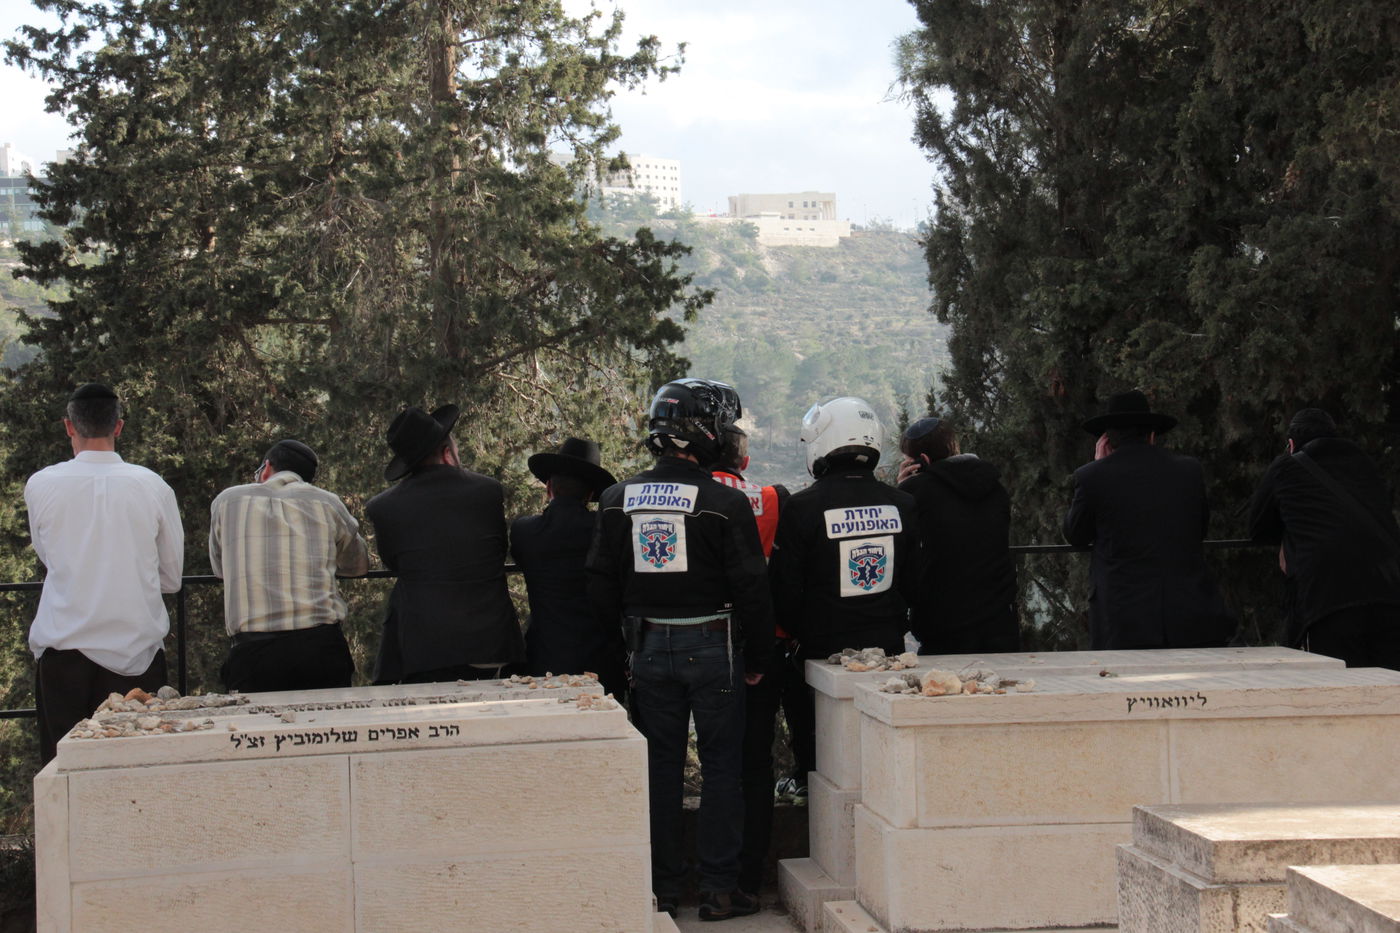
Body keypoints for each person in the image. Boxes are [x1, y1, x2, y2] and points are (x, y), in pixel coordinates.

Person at [587, 378, 772, 922]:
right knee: (722, 768)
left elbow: (599, 585)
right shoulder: (724, 503)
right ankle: (718, 891)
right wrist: (759, 659)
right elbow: (752, 589)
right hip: (715, 644)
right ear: (706, 434)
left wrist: (615, 657)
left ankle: (662, 891)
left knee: (660, 768)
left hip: (644, 647)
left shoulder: (616, 499)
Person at [25, 383, 184, 764]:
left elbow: (48, 556)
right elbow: (171, 577)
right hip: (136, 652)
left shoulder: (41, 484)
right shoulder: (153, 486)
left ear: (69, 426)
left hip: (64, 648)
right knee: (136, 770)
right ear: (119, 427)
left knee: (64, 772)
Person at [711, 424, 809, 896]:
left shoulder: (691, 495)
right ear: (744, 462)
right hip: (764, 645)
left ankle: (701, 877)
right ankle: (749, 879)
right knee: (755, 764)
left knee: (710, 762)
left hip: (704, 639)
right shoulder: (774, 497)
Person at [1062, 390, 1234, 649]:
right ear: (1152, 434)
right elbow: (1199, 528)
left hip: (1121, 615)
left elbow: (1076, 535)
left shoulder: (1091, 476)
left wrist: (1098, 466)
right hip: (1186, 608)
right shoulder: (1189, 471)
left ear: (1107, 440)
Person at [366, 404, 523, 684]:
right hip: (490, 640)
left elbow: (394, 562)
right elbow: (497, 551)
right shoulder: (487, 490)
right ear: (447, 453)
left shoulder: (383, 507)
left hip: (425, 647)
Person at [209, 439, 369, 693]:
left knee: (257, 731)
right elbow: (358, 565)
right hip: (320, 648)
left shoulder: (227, 501)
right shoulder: (327, 502)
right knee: (329, 728)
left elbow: (220, 570)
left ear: (266, 468)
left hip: (253, 654)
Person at [769, 397, 920, 663]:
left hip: (822, 649)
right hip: (888, 646)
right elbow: (913, 581)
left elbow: (784, 588)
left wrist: (802, 632)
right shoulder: (902, 504)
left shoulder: (802, 506)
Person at [1246, 408, 1400, 668]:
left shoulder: (1286, 466)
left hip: (1328, 598)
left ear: (1291, 444)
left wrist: (1291, 535)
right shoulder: (1363, 462)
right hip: (1389, 590)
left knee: (1342, 689)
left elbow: (1258, 528)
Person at [896, 415, 1019, 654]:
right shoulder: (994, 485)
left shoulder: (915, 492)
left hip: (944, 623)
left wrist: (902, 489)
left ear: (923, 460)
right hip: (1000, 619)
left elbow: (900, 540)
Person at [511, 437, 623, 694]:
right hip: (600, 662)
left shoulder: (524, 532)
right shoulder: (606, 531)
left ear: (549, 487)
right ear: (592, 493)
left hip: (545, 660)